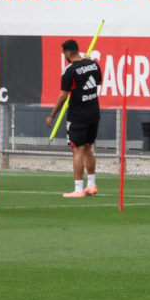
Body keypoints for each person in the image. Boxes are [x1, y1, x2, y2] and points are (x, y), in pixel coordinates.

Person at [46, 39, 102, 198]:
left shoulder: (69, 70)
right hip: (93, 113)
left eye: (64, 53)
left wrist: (52, 114)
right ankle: (91, 185)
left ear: (69, 52)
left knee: (77, 150)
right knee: (88, 148)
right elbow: (98, 82)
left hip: (78, 114)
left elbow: (63, 95)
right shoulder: (93, 64)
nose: (64, 55)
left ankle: (78, 189)